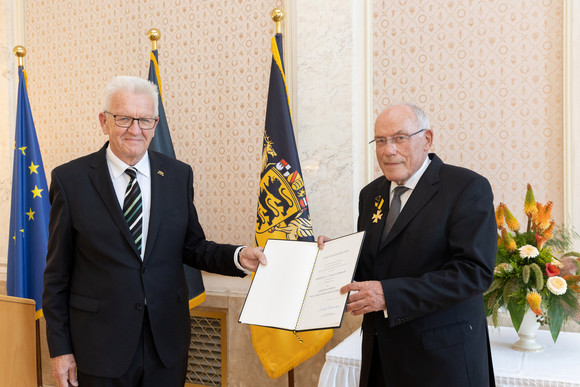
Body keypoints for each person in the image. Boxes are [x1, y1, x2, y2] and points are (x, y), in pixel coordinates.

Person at [42, 75, 267, 387]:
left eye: (145, 120)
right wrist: (60, 350)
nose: (135, 130)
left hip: (166, 343)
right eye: (124, 118)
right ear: (104, 121)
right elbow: (56, 276)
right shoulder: (71, 181)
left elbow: (193, 246)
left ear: (155, 123)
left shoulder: (177, 175)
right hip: (100, 346)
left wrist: (239, 256)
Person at [318, 103, 497, 387]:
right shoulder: (371, 194)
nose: (389, 150)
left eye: (399, 138)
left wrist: (389, 295)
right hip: (381, 358)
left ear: (426, 140)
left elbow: (474, 272)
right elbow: (372, 267)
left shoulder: (465, 187)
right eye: (380, 140)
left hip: (441, 363)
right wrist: (335, 258)